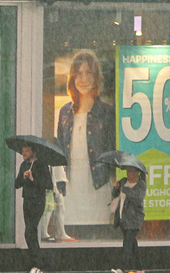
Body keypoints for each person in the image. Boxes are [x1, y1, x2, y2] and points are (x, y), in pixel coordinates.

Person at [56, 50, 115, 226]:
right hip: (71, 188)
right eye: (78, 74)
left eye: (88, 73)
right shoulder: (65, 113)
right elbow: (59, 153)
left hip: (97, 187)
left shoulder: (107, 113)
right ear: (72, 79)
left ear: (96, 77)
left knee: (97, 236)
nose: (83, 79)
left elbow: (113, 153)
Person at [14, 145, 52, 273]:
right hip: (27, 200)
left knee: (30, 230)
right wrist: (23, 177)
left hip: (38, 200)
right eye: (23, 151)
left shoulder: (41, 165)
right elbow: (16, 184)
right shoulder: (24, 165)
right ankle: (35, 263)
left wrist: (32, 179)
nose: (24, 153)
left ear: (33, 152)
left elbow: (47, 184)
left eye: (26, 151)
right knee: (30, 232)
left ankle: (37, 264)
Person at [112, 165, 147, 273]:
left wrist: (125, 189)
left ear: (137, 172)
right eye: (127, 171)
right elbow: (115, 195)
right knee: (132, 244)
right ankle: (140, 269)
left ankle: (122, 268)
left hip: (134, 219)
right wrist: (116, 188)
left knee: (127, 243)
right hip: (123, 218)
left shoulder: (141, 185)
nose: (129, 174)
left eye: (131, 171)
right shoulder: (123, 181)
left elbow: (137, 199)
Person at [41, 165, 74, 242]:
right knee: (51, 206)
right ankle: (48, 232)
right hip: (55, 179)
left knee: (58, 206)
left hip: (59, 178)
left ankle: (59, 232)